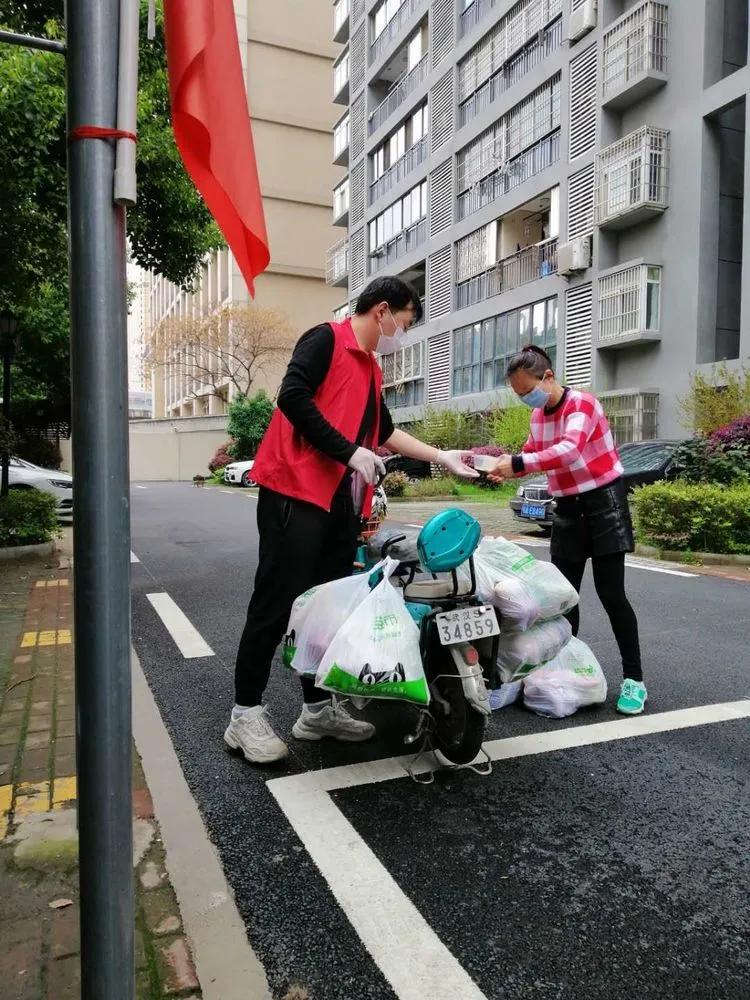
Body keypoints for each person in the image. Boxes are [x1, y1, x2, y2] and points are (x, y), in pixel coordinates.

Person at [224, 276, 478, 764]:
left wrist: (441, 456)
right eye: (404, 323)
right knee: (275, 604)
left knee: (324, 610)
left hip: (338, 502)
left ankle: (317, 712)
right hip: (294, 494)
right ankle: (244, 715)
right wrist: (349, 451)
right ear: (381, 311)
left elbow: (385, 431)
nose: (403, 334)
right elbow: (292, 397)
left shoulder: (371, 368)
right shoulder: (325, 339)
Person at [488, 344, 646, 716]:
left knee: (612, 594)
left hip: (604, 504)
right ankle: (565, 669)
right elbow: (532, 452)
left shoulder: (583, 405)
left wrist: (518, 462)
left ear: (548, 376)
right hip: (567, 509)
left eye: (528, 390)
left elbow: (569, 450)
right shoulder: (538, 416)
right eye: (519, 395)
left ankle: (634, 679)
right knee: (563, 597)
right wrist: (501, 468)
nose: (526, 399)